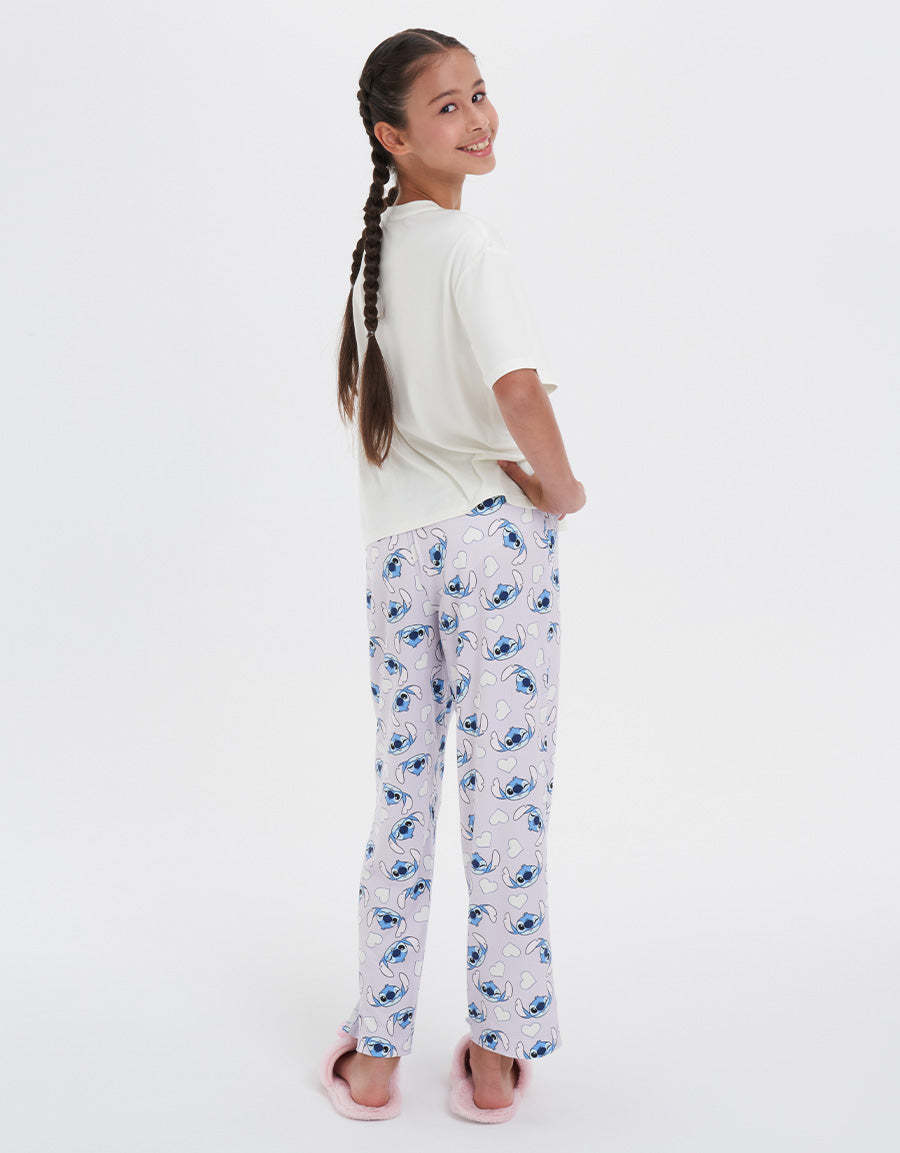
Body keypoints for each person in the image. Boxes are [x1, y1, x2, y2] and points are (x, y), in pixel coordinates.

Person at [329, 28, 586, 1113]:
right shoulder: (469, 248)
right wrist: (562, 490)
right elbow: (517, 390)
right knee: (504, 798)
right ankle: (492, 1056)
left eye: (479, 94)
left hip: (399, 554)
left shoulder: (371, 260)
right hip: (493, 544)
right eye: (447, 105)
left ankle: (376, 1057)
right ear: (392, 135)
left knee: (405, 793)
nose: (478, 118)